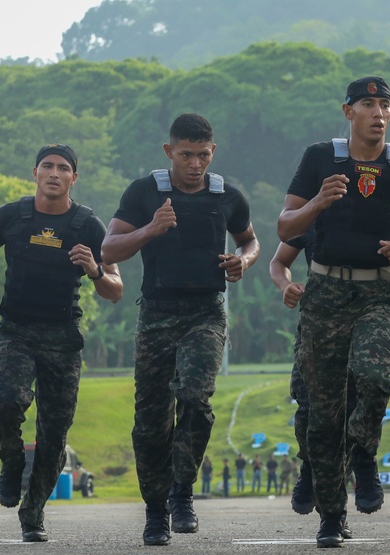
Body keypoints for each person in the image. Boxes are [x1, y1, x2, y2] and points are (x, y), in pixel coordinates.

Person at [277, 75, 390, 547]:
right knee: (322, 416)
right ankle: (331, 516)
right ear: (349, 111)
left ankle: (363, 449)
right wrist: (320, 200)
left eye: (385, 104)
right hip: (324, 293)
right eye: (368, 103)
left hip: (378, 293)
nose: (378, 112)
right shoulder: (320, 158)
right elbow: (285, 225)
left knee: (373, 377)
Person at [101, 113, 259, 546]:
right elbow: (108, 248)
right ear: (169, 151)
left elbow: (250, 239)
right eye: (186, 155)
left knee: (194, 395)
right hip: (156, 313)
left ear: (214, 152)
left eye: (203, 155)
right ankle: (155, 511)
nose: (195, 164)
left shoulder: (226, 195)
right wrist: (152, 228)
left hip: (206, 312)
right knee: (150, 421)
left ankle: (181, 492)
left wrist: (242, 261)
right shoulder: (145, 192)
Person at [0, 144, 122, 542]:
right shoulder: (11, 216)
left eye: (63, 168)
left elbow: (116, 289)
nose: (54, 173)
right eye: (47, 166)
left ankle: (33, 513)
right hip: (16, 330)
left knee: (54, 434)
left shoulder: (88, 225)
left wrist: (94, 270)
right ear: (35, 173)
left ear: (74, 178)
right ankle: (11, 459)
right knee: (1, 399)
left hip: (62, 339)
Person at [269, 231, 390, 519]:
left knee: (366, 389)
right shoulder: (313, 217)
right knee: (310, 406)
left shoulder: (377, 216)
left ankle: (363, 457)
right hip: (320, 320)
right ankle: (309, 465)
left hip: (367, 314)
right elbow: (279, 261)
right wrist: (285, 285)